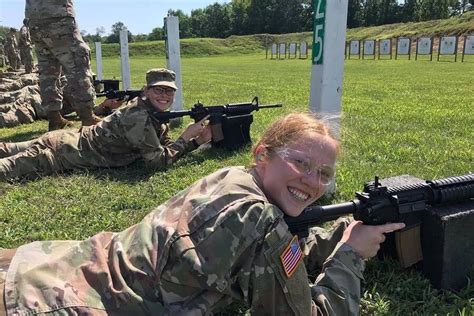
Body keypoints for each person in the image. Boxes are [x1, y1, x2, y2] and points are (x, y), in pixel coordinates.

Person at [0, 112, 405, 315]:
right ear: (262, 155)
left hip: (44, 264)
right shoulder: (260, 225)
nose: (313, 182)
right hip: (53, 304)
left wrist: (337, 233)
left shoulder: (231, 178)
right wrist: (350, 254)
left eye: (324, 174)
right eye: (300, 163)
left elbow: (272, 252)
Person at [0, 68, 211, 181]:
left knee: (5, 149)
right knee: (5, 168)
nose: (164, 95)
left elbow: (163, 147)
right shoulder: (138, 117)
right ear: (145, 91)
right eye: (158, 90)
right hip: (58, 154)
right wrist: (185, 138)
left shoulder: (151, 112)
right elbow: (156, 162)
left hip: (64, 140)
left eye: (169, 91)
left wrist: (194, 142)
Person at [25, 0, 101, 130]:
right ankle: (87, 117)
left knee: (47, 70)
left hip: (34, 19)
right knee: (77, 64)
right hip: (58, 16)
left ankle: (54, 118)